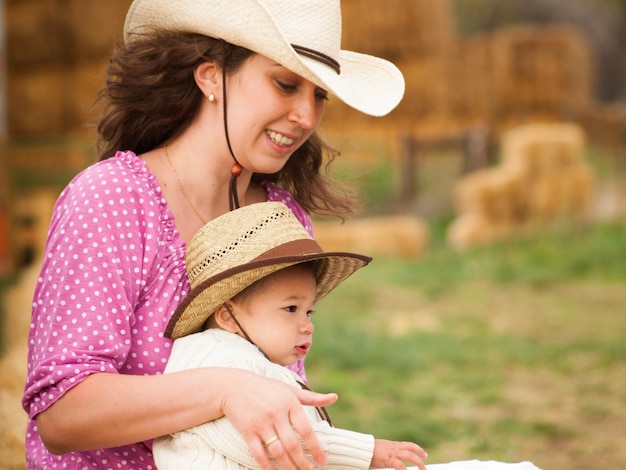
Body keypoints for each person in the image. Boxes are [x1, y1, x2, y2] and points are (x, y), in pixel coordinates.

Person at [22, 0, 405, 469]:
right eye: (285, 84)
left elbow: (273, 391)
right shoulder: (112, 199)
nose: (306, 115)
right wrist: (225, 389)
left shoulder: (280, 218)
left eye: (319, 94)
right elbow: (63, 417)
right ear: (210, 78)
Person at [152, 201, 428, 470]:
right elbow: (273, 441)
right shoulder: (214, 356)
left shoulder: (245, 355)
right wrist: (367, 451)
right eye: (290, 308)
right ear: (227, 316)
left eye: (309, 312)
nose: (307, 325)